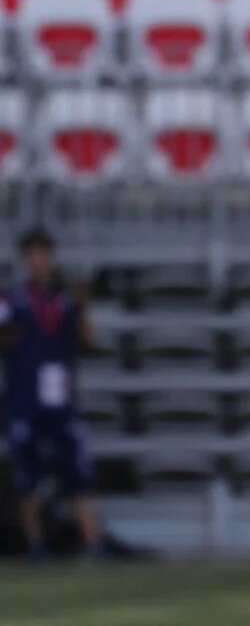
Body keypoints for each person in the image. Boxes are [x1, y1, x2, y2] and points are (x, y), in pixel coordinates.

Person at [0, 227, 105, 561]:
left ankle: (94, 543)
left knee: (77, 473)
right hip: (24, 399)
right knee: (27, 477)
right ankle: (35, 546)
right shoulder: (12, 299)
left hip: (60, 400)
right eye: (31, 255)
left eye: (42, 254)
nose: (38, 261)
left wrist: (85, 306)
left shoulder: (66, 300)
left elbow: (87, 341)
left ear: (51, 257)